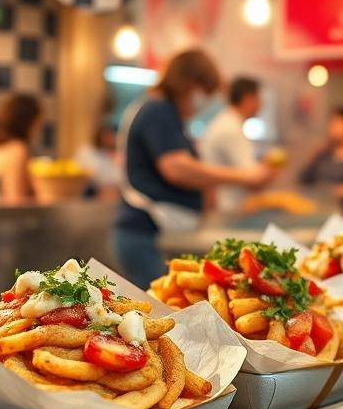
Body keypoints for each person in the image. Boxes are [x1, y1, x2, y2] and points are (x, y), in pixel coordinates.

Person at [113, 50, 274, 286]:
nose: (205, 100)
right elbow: (177, 168)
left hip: (151, 234)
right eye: (206, 91)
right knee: (163, 312)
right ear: (191, 84)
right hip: (144, 234)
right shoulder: (158, 110)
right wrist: (245, 176)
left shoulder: (166, 113)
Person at [199, 76, 261, 214]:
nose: (261, 104)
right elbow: (253, 177)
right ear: (248, 99)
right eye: (259, 98)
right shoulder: (230, 128)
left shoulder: (227, 122)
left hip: (225, 206)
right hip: (226, 208)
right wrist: (270, 169)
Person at [0, 94, 41, 203]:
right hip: (8, 217)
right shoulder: (18, 150)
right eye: (37, 123)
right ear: (27, 122)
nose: (38, 129)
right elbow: (16, 198)